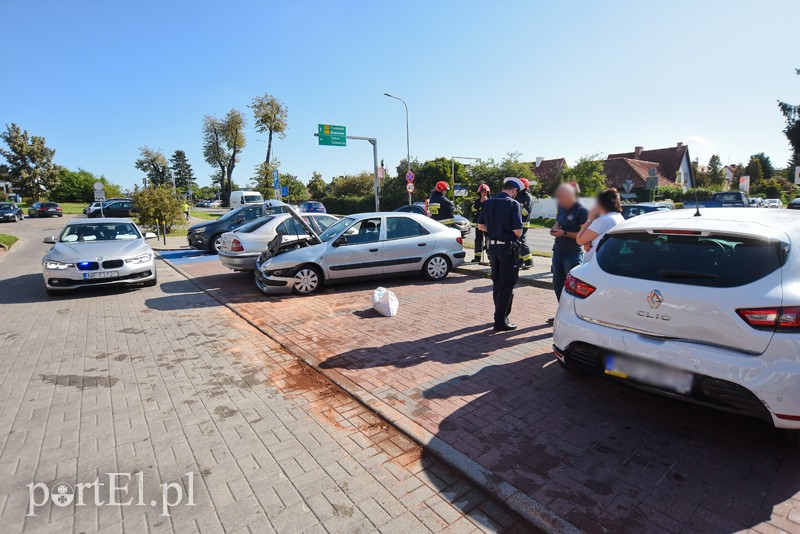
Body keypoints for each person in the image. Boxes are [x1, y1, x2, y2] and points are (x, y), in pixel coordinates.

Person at [477, 177, 525, 331]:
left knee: (497, 282)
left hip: (492, 248)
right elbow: (518, 232)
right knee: (507, 284)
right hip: (507, 249)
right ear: (514, 190)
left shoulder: (488, 202)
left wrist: (494, 230)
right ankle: (500, 321)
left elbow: (480, 226)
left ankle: (499, 315)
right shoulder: (513, 204)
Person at [548, 183, 588, 324]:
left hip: (572, 255)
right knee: (558, 284)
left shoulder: (581, 210)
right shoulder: (562, 208)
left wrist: (564, 233)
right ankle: (563, 313)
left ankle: (574, 317)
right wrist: (555, 229)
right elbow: (557, 224)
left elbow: (583, 235)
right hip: (558, 252)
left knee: (573, 289)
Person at [576, 188, 624, 263]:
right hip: (608, 261)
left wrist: (589, 219)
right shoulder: (619, 217)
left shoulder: (604, 220)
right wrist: (588, 242)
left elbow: (579, 240)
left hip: (593, 264)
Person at [516, 178, 534, 269]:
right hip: (516, 223)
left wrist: (515, 213)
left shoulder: (527, 196)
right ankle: (520, 261)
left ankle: (529, 260)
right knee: (517, 242)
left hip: (524, 223)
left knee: (521, 242)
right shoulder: (517, 195)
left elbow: (527, 211)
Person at [471, 183, 491, 264]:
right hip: (478, 223)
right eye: (482, 192)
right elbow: (473, 210)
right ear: (479, 193)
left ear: (488, 193)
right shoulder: (477, 201)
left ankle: (490, 256)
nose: (484, 194)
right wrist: (480, 202)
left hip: (487, 224)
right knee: (478, 240)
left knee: (488, 240)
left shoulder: (491, 201)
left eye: (485, 192)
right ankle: (477, 257)